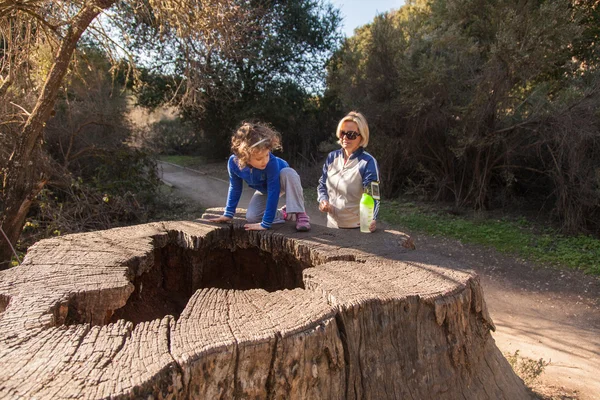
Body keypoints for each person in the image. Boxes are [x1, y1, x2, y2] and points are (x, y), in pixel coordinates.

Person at [209, 121, 311, 231]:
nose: (265, 161)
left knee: (289, 173)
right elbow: (235, 188)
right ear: (245, 157)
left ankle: (301, 214)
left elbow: (274, 190)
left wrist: (265, 224)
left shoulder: (271, 163)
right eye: (259, 158)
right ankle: (283, 214)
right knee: (252, 217)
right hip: (264, 188)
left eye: (267, 155)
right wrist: (228, 213)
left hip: (281, 181)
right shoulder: (234, 163)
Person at [317, 111, 380, 231]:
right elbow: (322, 185)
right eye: (342, 133)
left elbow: (373, 196)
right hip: (331, 226)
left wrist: (373, 219)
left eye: (351, 134)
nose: (345, 137)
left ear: (362, 136)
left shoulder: (367, 162)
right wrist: (323, 200)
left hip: (356, 229)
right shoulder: (332, 157)